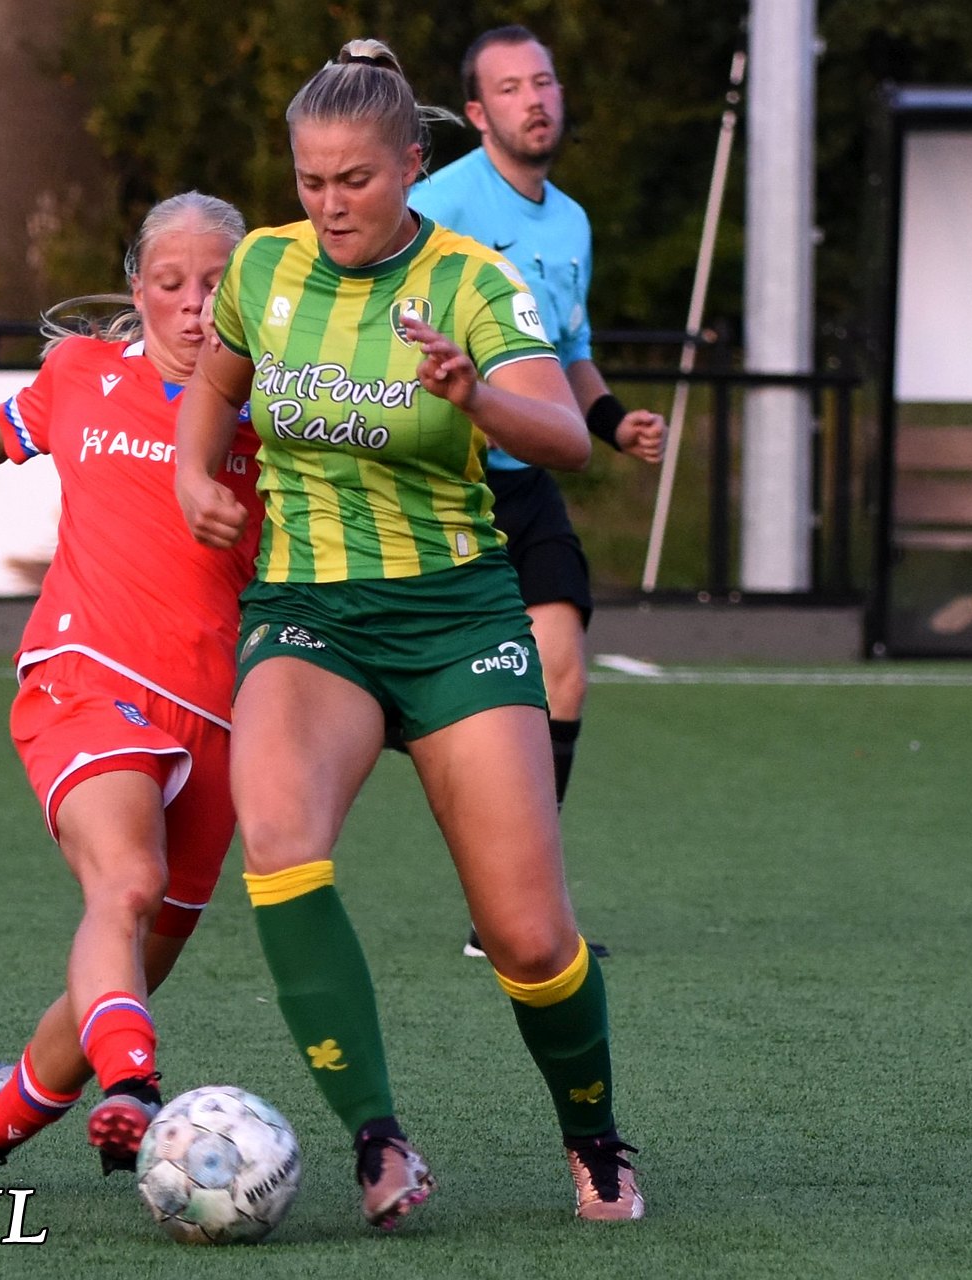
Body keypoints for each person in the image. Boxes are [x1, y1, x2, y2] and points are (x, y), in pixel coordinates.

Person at [174, 39, 643, 1226]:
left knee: (528, 935)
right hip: (309, 613)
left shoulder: (477, 280)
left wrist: (474, 394)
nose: (330, 206)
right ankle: (378, 1140)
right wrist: (191, 472)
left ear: (413, 165)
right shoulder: (263, 270)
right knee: (276, 837)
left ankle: (594, 1137)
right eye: (312, 181)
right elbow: (217, 384)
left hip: (455, 617)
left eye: (357, 181)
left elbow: (567, 440)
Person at [0, 192, 262, 1187]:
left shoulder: (282, 414)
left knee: (120, 972)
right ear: (136, 290)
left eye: (216, 285)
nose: (195, 307)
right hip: (86, 678)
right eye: (170, 285)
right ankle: (138, 1088)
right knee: (124, 883)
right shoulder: (82, 373)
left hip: (221, 718)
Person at [408, 24, 665, 959]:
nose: (536, 99)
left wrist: (613, 422)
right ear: (478, 114)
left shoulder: (572, 222)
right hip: (442, 482)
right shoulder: (435, 205)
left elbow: (569, 356)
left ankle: (509, 912)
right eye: (511, 87)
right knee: (421, 706)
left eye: (545, 81)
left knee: (562, 666)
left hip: (525, 483)